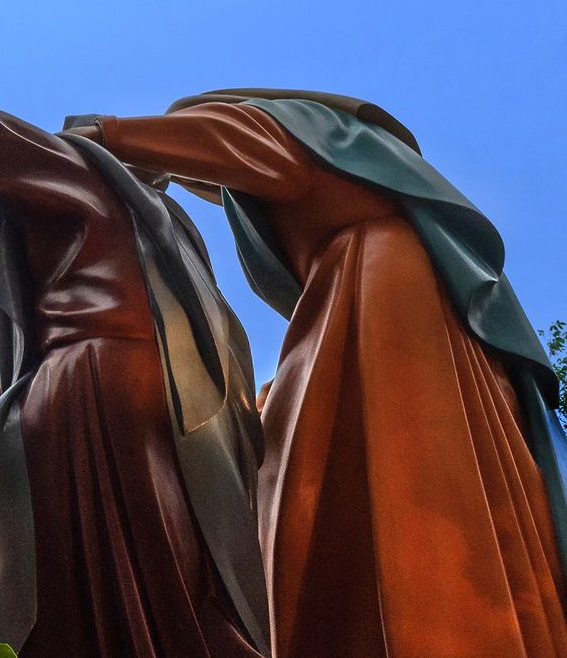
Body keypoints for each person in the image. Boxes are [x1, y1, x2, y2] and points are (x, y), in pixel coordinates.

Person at [0, 3, 267, 658]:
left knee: (14, 572)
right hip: (164, 412)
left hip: (100, 393)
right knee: (169, 591)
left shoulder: (105, 185)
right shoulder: (161, 227)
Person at [77, 90, 567, 658]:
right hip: (368, 303)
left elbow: (236, 142)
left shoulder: (303, 138)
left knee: (400, 478)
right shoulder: (359, 257)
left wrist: (111, 137)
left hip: (380, 299)